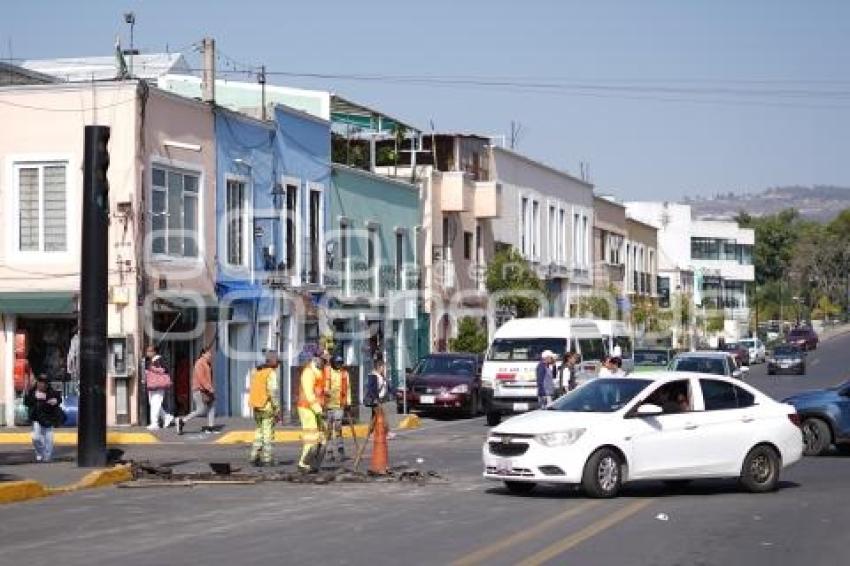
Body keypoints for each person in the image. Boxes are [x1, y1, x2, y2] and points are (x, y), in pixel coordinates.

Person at [297, 348, 328, 472]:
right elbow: (309, 394)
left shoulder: (320, 371)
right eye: (323, 360)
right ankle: (303, 463)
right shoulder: (308, 372)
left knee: (323, 437)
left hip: (317, 408)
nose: (325, 363)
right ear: (316, 359)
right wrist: (319, 410)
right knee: (312, 437)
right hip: (307, 408)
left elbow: (318, 390)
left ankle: (314, 464)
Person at [248, 350, 281, 467]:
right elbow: (273, 392)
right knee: (267, 433)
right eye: (277, 362)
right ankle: (267, 458)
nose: (278, 365)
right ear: (273, 362)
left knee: (258, 431)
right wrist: (277, 408)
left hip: (256, 406)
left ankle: (254, 456)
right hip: (266, 407)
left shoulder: (256, 371)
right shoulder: (270, 373)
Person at [23, 375, 63, 463]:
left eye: (44, 383)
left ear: (47, 384)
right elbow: (26, 402)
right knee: (35, 437)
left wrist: (55, 401)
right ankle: (40, 452)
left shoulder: (51, 392)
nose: (42, 385)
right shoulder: (32, 391)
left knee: (49, 438)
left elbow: (59, 399)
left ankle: (47, 457)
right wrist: (34, 398)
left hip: (48, 417)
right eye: (40, 382)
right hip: (36, 418)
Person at [177, 346, 215, 435]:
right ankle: (182, 420)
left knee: (211, 407)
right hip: (199, 390)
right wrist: (209, 387)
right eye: (208, 353)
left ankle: (210, 427)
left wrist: (210, 387)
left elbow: (208, 377)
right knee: (201, 410)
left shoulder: (207, 363)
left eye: (210, 353)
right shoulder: (200, 363)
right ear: (203, 354)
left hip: (206, 390)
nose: (210, 355)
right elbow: (201, 378)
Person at [325, 354, 352, 462]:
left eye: (340, 363)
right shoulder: (328, 372)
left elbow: (348, 389)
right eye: (337, 363)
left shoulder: (345, 374)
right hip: (328, 405)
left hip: (339, 405)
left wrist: (348, 402)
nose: (339, 365)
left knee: (337, 428)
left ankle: (340, 450)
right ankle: (329, 451)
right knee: (328, 430)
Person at [145, 355, 175, 430]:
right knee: (154, 404)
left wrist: (151, 367)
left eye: (150, 351)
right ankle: (167, 417)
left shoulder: (157, 359)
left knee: (155, 404)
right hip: (152, 386)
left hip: (158, 386)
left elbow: (164, 369)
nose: (148, 352)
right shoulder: (150, 361)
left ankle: (155, 423)